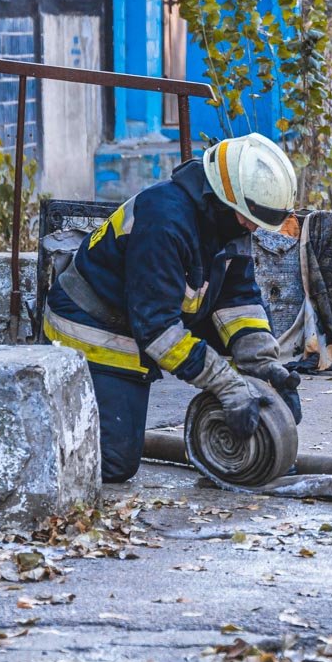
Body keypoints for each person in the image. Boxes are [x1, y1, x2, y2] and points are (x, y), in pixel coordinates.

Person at [44, 134, 304, 482]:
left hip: (149, 313)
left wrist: (263, 365)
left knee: (242, 361)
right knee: (114, 464)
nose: (252, 229)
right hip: (95, 327)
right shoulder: (163, 222)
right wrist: (226, 384)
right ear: (224, 200)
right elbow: (157, 331)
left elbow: (239, 296)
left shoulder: (228, 219)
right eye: (248, 220)